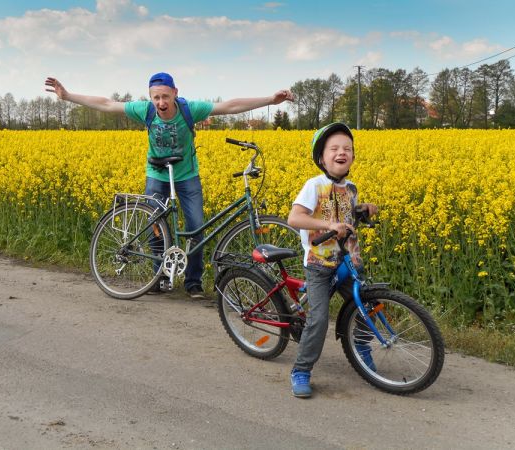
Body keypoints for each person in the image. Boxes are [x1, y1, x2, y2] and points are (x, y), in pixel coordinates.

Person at [45, 73, 293, 298]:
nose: (161, 103)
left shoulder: (189, 109)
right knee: (156, 228)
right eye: (156, 98)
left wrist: (270, 100)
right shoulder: (145, 110)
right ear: (150, 97)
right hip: (156, 173)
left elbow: (229, 106)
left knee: (196, 227)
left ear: (175, 93)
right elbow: (107, 104)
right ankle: (159, 277)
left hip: (187, 175)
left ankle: (192, 282)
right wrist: (67, 96)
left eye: (165, 96)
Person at [286, 122, 378, 398]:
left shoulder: (351, 187)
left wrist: (363, 210)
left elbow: (347, 215)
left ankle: (360, 345)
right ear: (321, 158)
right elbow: (295, 218)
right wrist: (327, 225)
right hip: (319, 265)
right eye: (334, 148)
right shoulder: (314, 185)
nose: (342, 152)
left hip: (347, 259)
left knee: (368, 303)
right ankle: (301, 370)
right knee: (319, 320)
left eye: (347, 148)